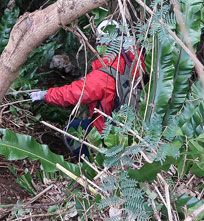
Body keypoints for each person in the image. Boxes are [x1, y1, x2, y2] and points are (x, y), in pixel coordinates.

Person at [29, 20, 144, 159]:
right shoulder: (137, 59)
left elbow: (73, 93)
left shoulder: (104, 75)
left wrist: (45, 95)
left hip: (108, 134)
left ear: (102, 43)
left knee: (71, 130)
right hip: (134, 129)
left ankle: (91, 162)